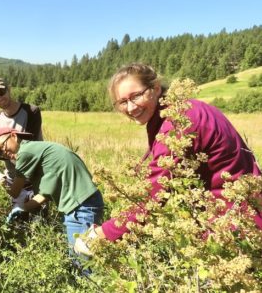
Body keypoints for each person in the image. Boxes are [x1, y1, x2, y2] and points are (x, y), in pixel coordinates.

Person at [75, 63, 261, 252]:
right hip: (241, 212)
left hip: (235, 226)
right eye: (122, 102)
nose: (130, 107)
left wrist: (100, 235)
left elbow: (153, 196)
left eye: (136, 96)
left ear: (155, 88)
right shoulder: (184, 109)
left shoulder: (177, 124)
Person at [0, 127, 104, 250]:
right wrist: (22, 208)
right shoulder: (38, 151)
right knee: (78, 255)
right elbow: (45, 194)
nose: (4, 152)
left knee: (82, 256)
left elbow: (14, 192)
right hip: (82, 204)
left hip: (80, 207)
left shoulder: (25, 152)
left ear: (14, 136)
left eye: (3, 145)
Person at [0, 77, 44, 221]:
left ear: (9, 89)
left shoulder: (31, 111)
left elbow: (27, 148)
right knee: (20, 224)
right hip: (14, 178)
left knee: (40, 220)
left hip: (36, 179)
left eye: (1, 92)